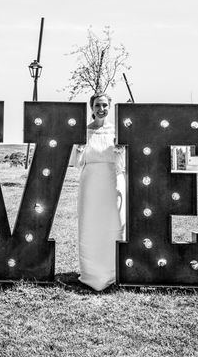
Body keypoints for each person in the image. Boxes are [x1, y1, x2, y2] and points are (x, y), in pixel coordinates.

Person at [72, 92, 126, 291]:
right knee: (90, 225)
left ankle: (114, 271)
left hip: (113, 180)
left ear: (109, 107)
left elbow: (122, 164)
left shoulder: (117, 131)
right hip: (90, 183)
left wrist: (120, 151)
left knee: (115, 223)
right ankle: (92, 274)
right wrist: (77, 148)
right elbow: (77, 163)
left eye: (105, 105)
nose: (101, 109)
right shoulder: (83, 131)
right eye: (97, 105)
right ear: (91, 108)